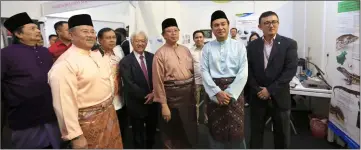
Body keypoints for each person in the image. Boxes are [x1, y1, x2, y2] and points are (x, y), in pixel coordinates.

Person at [48, 14, 123, 149]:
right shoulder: (65, 64)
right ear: (71, 35)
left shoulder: (96, 54)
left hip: (109, 114)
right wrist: (75, 136)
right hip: (88, 123)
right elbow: (63, 104)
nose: (90, 35)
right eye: (85, 32)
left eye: (92, 31)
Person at [2, 12, 61, 149]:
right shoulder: (5, 54)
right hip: (25, 116)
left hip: (49, 112)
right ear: (19, 34)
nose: (38, 31)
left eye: (37, 28)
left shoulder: (44, 52)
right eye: (32, 29)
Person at [247, 11, 298, 149]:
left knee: (282, 136)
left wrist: (269, 90)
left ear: (278, 23)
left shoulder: (289, 44)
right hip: (258, 97)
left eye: (274, 22)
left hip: (280, 97)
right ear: (260, 26)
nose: (271, 25)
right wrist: (258, 89)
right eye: (267, 23)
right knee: (256, 134)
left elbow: (290, 71)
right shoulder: (252, 46)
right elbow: (248, 70)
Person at [201, 10, 248, 149]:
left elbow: (243, 72)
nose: (220, 27)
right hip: (214, 92)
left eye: (223, 24)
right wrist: (216, 92)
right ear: (212, 29)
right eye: (216, 25)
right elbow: (204, 71)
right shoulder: (207, 47)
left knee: (237, 130)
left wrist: (229, 93)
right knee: (215, 129)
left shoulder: (239, 46)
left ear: (228, 25)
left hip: (235, 93)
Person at [152, 18, 197, 149]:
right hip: (171, 97)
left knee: (189, 127)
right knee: (172, 130)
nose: (173, 33)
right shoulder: (159, 54)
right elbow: (157, 81)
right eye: (169, 31)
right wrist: (164, 105)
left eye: (175, 30)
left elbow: (192, 73)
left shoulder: (185, 50)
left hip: (188, 96)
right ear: (163, 35)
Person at [120, 31, 158, 149]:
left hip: (153, 102)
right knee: (138, 134)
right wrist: (147, 96)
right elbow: (129, 83)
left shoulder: (153, 57)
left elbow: (158, 77)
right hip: (136, 104)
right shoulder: (125, 61)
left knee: (152, 132)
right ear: (132, 42)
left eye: (143, 41)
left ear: (146, 43)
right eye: (137, 41)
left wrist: (154, 94)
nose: (140, 43)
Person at [97, 27, 128, 148]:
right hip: (104, 104)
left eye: (113, 37)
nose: (112, 40)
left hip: (120, 100)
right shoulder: (95, 58)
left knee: (122, 131)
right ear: (100, 40)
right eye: (108, 38)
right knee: (106, 135)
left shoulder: (117, 57)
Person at [190, 30, 207, 125]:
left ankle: (206, 118)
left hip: (208, 81)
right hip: (196, 81)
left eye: (200, 37)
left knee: (207, 102)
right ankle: (195, 120)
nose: (199, 39)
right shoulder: (190, 51)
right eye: (196, 37)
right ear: (193, 39)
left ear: (204, 38)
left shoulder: (208, 49)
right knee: (195, 103)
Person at [244, 32, 261, 108]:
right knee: (248, 88)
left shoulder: (262, 49)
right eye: (252, 39)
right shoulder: (246, 48)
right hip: (247, 71)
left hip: (258, 73)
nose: (254, 40)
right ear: (250, 40)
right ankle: (247, 100)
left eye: (256, 39)